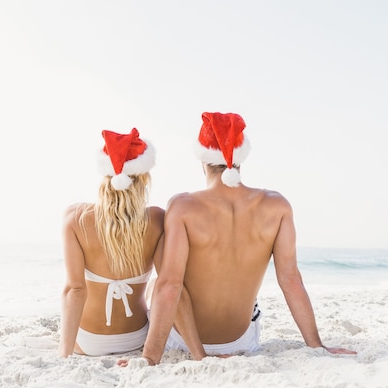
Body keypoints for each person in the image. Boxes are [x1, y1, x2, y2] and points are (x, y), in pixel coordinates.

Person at [139, 111, 356, 365]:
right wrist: (317, 345)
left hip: (183, 339)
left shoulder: (183, 206)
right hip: (241, 341)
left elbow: (170, 286)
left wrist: (149, 358)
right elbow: (290, 280)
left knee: (158, 283)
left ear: (203, 160)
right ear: (240, 159)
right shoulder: (277, 206)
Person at [59, 127, 164, 357]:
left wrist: (63, 354)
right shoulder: (157, 219)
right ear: (143, 179)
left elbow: (74, 290)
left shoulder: (76, 218)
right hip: (136, 338)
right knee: (157, 285)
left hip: (89, 341)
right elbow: (168, 284)